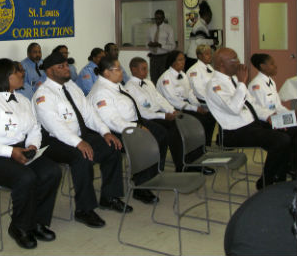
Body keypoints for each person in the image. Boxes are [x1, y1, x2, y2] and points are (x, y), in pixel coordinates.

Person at [0, 58, 61, 249]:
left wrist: (33, 146)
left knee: (52, 171)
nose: (22, 73)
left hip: (20, 150)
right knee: (25, 177)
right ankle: (19, 227)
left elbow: (35, 127)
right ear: (6, 77)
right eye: (18, 71)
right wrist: (9, 152)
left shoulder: (23, 99)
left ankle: (37, 222)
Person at [33, 52, 131, 229]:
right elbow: (55, 126)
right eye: (60, 66)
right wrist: (78, 142)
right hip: (54, 141)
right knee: (82, 157)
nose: (66, 69)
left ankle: (109, 197)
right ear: (49, 71)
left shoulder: (72, 87)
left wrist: (105, 132)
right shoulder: (43, 94)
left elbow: (89, 114)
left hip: (79, 134)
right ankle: (84, 210)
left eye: (66, 65)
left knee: (112, 146)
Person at [205, 47, 291, 189]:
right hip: (235, 131)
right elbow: (234, 108)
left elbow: (253, 104)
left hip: (252, 124)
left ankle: (280, 175)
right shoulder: (215, 86)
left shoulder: (232, 80)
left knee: (291, 130)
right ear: (221, 64)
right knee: (281, 140)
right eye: (234, 59)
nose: (238, 62)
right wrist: (241, 84)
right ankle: (265, 182)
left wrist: (268, 116)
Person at [88, 56, 169, 204]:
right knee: (146, 143)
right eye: (118, 69)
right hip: (118, 129)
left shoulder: (116, 84)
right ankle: (141, 188)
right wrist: (137, 127)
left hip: (133, 121)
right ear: (106, 73)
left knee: (161, 134)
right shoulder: (101, 92)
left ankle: (152, 175)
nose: (121, 71)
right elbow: (112, 121)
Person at [125, 57, 212, 174]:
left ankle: (193, 161)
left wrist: (172, 111)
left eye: (147, 69)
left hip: (159, 114)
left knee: (185, 123)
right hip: (147, 118)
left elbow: (160, 99)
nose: (146, 72)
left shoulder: (148, 82)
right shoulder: (129, 87)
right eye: (143, 69)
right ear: (133, 70)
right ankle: (181, 165)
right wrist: (164, 116)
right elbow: (141, 112)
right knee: (173, 130)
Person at [249, 53, 296, 176]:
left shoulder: (271, 82)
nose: (275, 66)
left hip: (276, 118)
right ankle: (284, 168)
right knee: (290, 134)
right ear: (263, 66)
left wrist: (291, 115)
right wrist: (276, 120)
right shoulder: (256, 85)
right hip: (264, 122)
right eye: (272, 64)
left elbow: (278, 106)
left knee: (295, 129)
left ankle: (289, 166)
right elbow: (258, 110)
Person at [157, 50, 216, 148]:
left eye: (183, 59)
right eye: (180, 60)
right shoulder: (166, 78)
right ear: (172, 62)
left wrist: (198, 105)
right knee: (198, 120)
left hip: (185, 105)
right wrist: (194, 109)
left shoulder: (183, 75)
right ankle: (194, 146)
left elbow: (190, 93)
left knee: (209, 116)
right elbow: (173, 100)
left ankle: (205, 144)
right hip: (173, 108)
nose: (183, 62)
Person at [185, 1, 216, 71]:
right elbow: (199, 41)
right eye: (210, 16)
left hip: (192, 57)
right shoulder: (200, 26)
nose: (210, 19)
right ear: (207, 15)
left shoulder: (201, 25)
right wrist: (212, 41)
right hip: (194, 58)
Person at [147, 9, 175, 84]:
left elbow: (172, 46)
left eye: (160, 18)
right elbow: (147, 42)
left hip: (164, 57)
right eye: (156, 18)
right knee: (154, 78)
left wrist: (160, 45)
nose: (158, 20)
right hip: (153, 57)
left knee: (164, 79)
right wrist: (150, 45)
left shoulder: (168, 28)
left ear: (163, 18)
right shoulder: (150, 29)